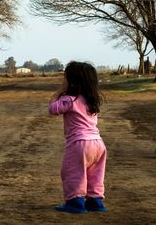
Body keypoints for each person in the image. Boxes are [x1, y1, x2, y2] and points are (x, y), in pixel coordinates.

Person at [48, 61, 107, 214]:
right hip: (97, 143)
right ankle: (95, 201)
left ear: (71, 81)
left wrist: (59, 92)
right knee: (95, 173)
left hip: (79, 144)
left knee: (72, 172)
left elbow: (53, 109)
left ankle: (75, 202)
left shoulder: (69, 99)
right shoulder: (91, 100)